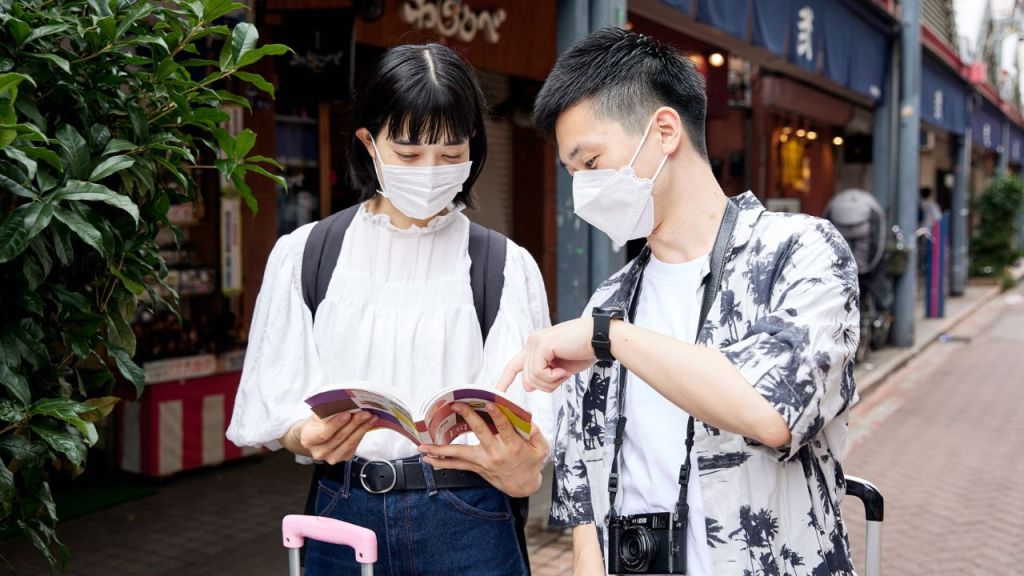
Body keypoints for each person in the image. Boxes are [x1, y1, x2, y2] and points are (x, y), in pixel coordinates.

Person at [498, 29, 861, 574]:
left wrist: (609, 338)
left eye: (591, 162)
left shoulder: (800, 251)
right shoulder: (610, 299)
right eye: (571, 174)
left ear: (664, 131)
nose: (582, 192)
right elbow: (583, 504)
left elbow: (772, 411)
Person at [226, 43, 552, 576]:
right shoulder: (307, 253)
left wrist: (521, 461)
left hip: (468, 514)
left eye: (450, 155)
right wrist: (304, 436)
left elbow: (536, 422)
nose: (430, 171)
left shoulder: (504, 265)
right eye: (407, 154)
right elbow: (271, 400)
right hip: (343, 510)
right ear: (368, 143)